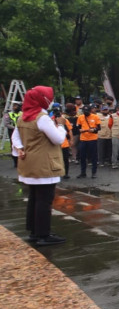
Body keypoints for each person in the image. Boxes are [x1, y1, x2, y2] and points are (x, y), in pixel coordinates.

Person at [11, 86, 67, 246]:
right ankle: (44, 234)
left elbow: (16, 138)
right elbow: (57, 139)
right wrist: (61, 126)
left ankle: (34, 231)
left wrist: (20, 149)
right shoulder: (41, 118)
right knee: (44, 200)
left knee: (34, 198)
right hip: (44, 164)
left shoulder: (23, 117)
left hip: (29, 163)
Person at [75, 103, 101, 178]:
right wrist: (80, 130)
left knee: (93, 156)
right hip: (83, 139)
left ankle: (94, 172)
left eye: (87, 111)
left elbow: (99, 128)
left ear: (90, 111)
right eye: (84, 111)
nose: (85, 112)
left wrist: (94, 129)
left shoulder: (95, 117)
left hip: (92, 139)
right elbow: (78, 127)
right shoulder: (80, 117)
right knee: (82, 156)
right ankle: (83, 172)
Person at [4, 101, 22, 167]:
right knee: (14, 145)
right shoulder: (9, 114)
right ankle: (15, 162)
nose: (18, 107)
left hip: (21, 131)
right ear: (13, 106)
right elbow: (6, 124)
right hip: (12, 131)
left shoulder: (22, 113)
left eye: (19, 106)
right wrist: (14, 128)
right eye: (17, 106)